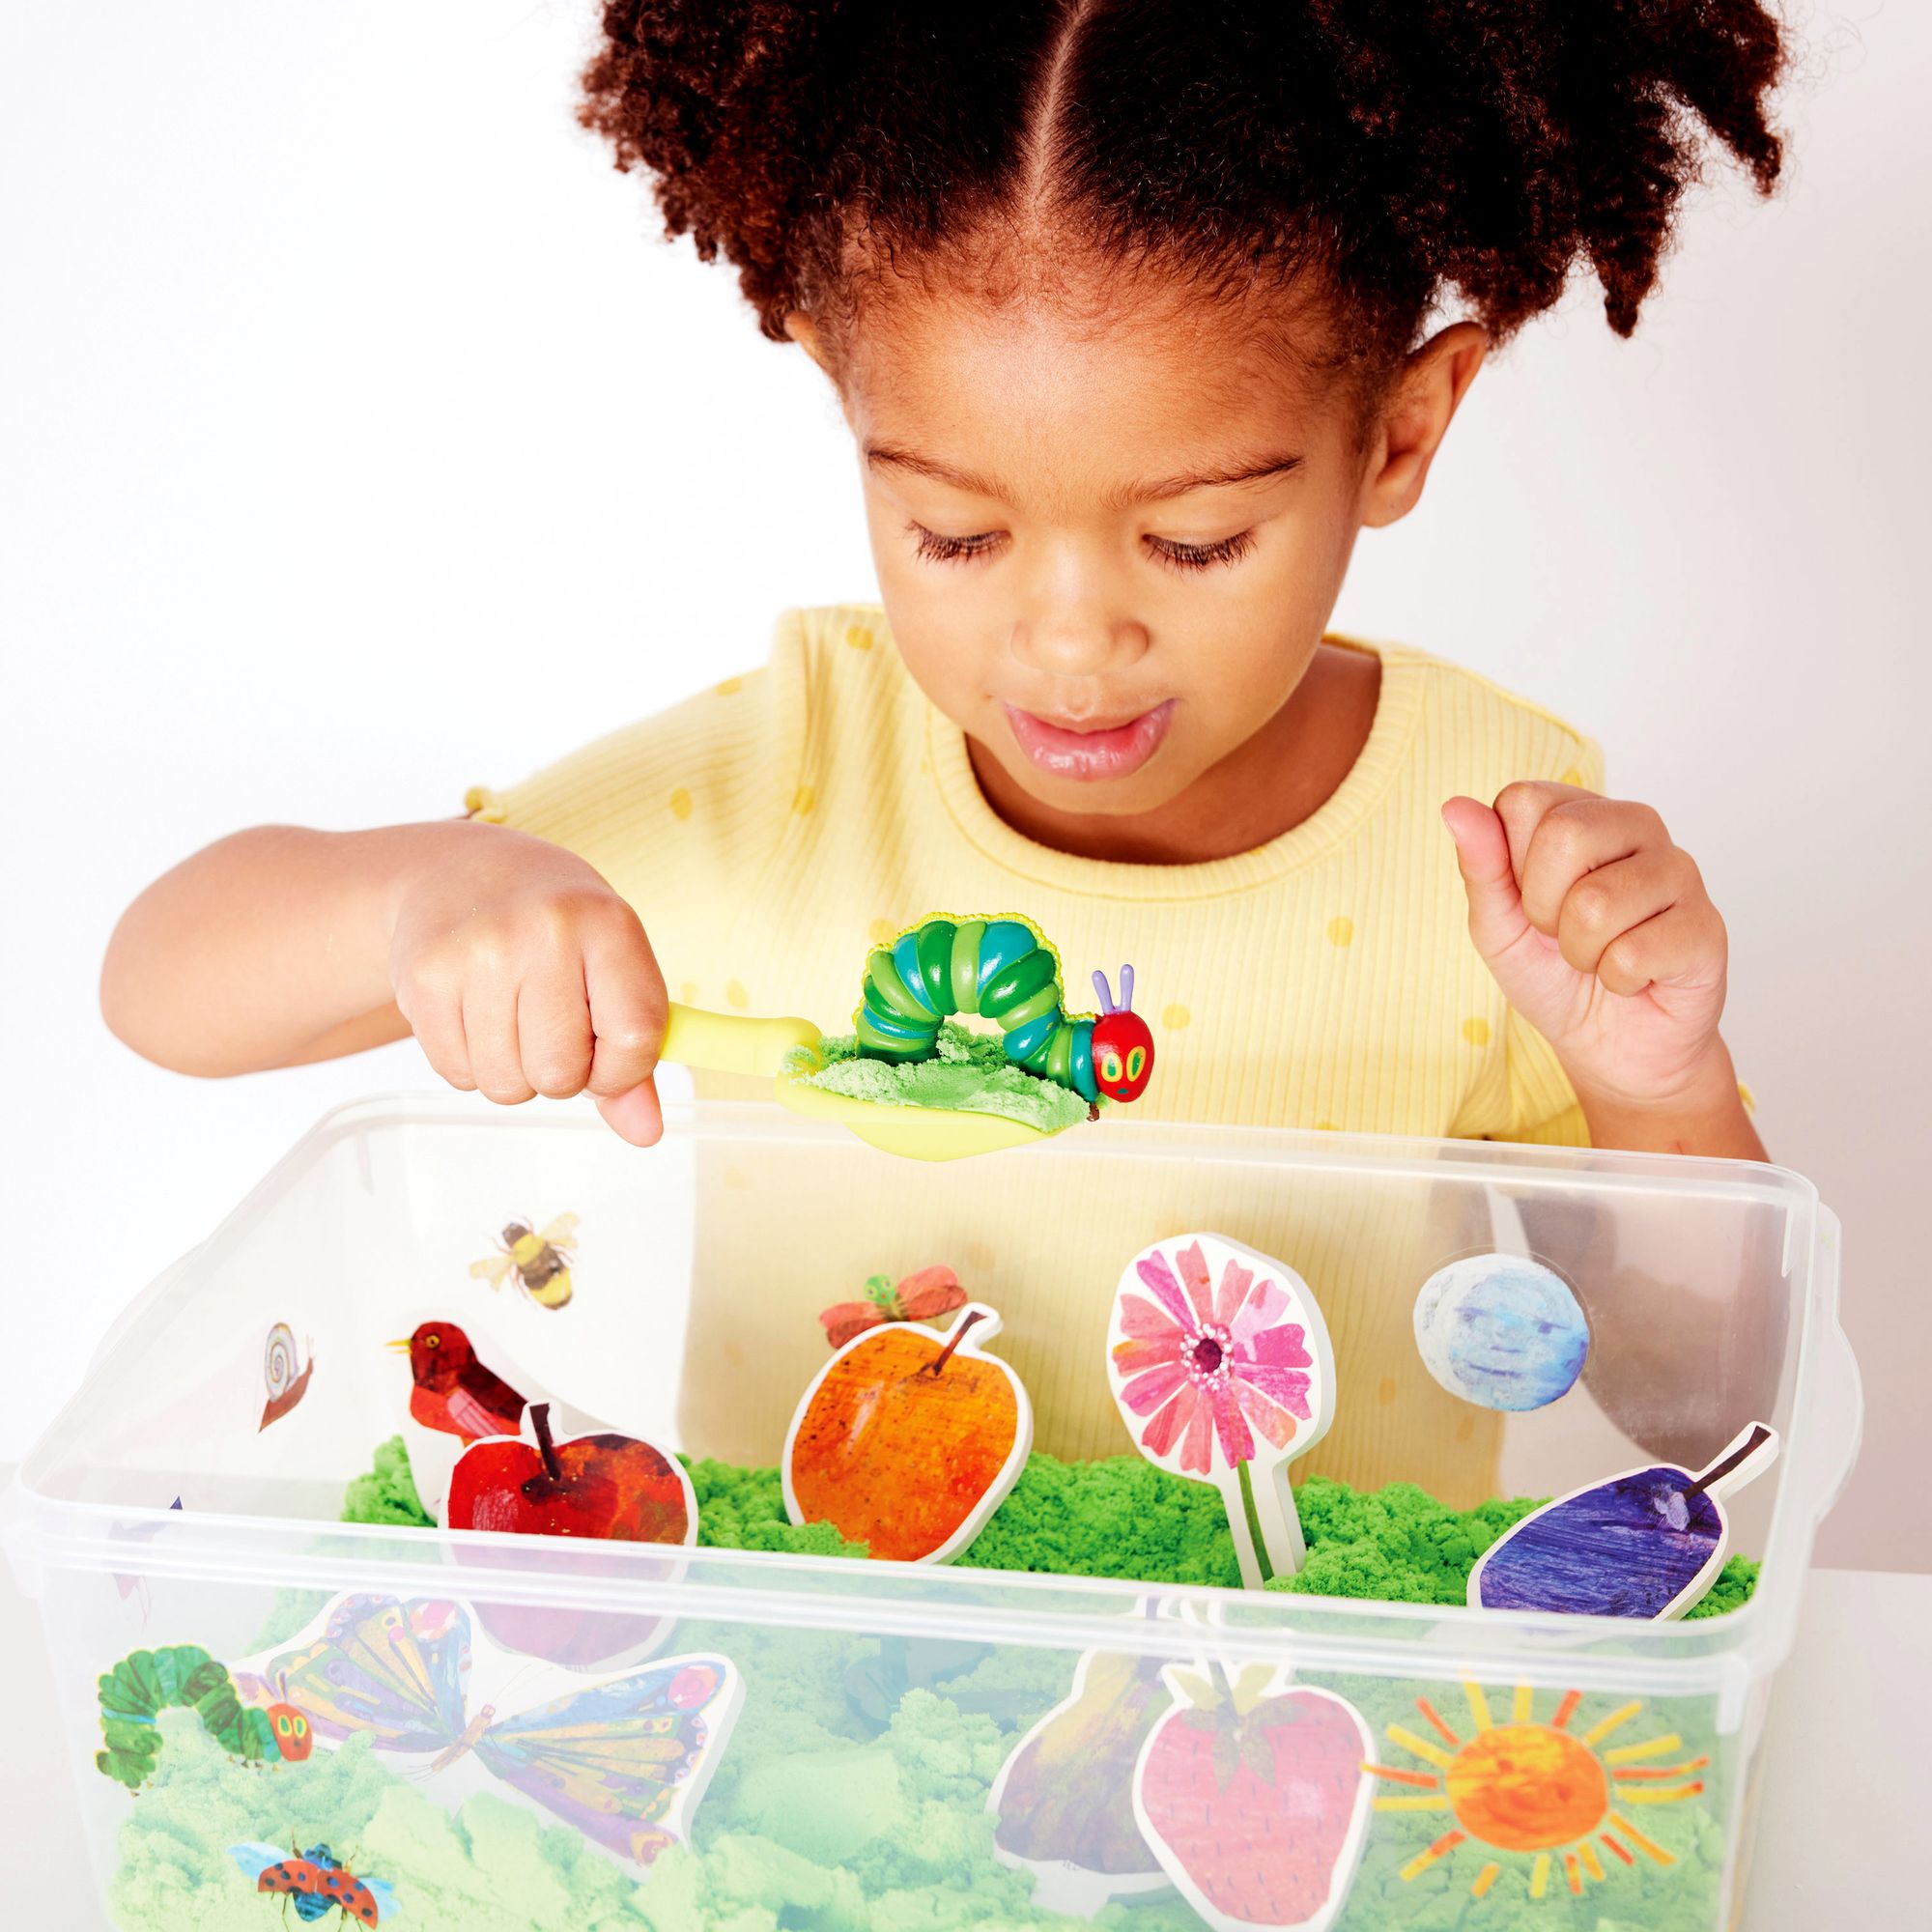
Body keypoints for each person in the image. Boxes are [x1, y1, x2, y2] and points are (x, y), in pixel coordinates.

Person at [100, 2, 1788, 1497]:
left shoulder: (1491, 843)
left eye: (1194, 543)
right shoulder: (796, 773)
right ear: (843, 400)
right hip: (821, 1723)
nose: (1066, 642)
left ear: (1400, 433)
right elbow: (161, 988)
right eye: (954, 535)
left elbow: (1693, 1400)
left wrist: (1659, 1089)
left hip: (1295, 1760)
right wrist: (430, 893)